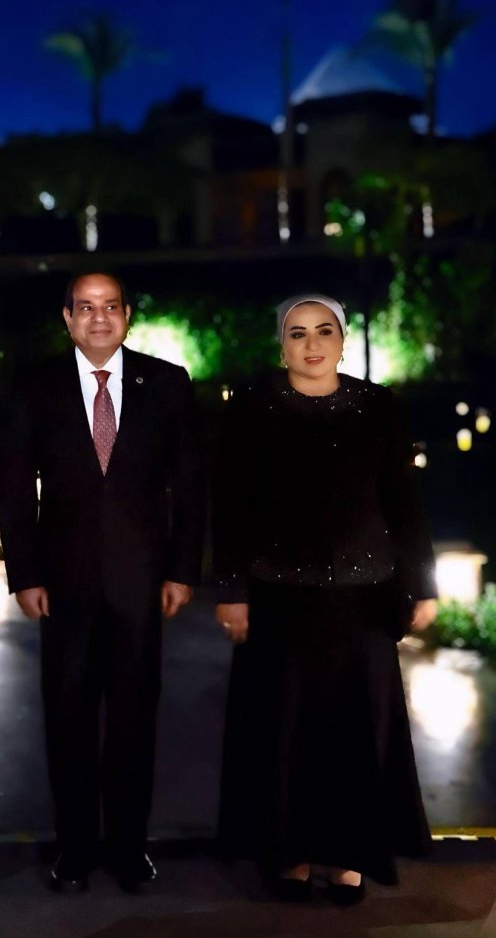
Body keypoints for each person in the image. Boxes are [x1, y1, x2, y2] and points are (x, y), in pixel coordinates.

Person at [213, 294, 437, 905]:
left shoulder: (378, 407)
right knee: (286, 731)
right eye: (297, 333)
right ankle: (291, 854)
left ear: (341, 339)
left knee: (355, 733)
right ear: (281, 343)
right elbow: (229, 504)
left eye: (323, 331)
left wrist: (422, 584)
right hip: (279, 597)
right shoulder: (252, 407)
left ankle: (348, 859)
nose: (311, 344)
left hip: (363, 599)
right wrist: (230, 590)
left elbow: (402, 501)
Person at [0, 271, 205, 894]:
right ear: (67, 318)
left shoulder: (166, 384)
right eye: (85, 308)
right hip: (64, 584)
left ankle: (130, 848)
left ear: (127, 314)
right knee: (68, 718)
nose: (99, 318)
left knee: (135, 719)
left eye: (110, 306)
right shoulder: (34, 387)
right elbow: (15, 487)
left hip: (142, 582)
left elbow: (190, 486)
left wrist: (183, 570)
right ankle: (75, 849)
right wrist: (25, 572)